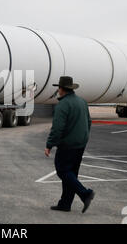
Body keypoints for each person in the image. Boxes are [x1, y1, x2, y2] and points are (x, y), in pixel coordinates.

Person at [45, 76, 94, 213]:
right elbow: (88, 122)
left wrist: (49, 145)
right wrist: (83, 137)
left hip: (67, 145)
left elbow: (57, 128)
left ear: (61, 89)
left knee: (62, 170)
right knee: (71, 174)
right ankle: (65, 204)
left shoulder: (63, 105)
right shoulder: (82, 102)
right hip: (80, 144)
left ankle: (85, 194)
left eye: (58, 88)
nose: (58, 90)